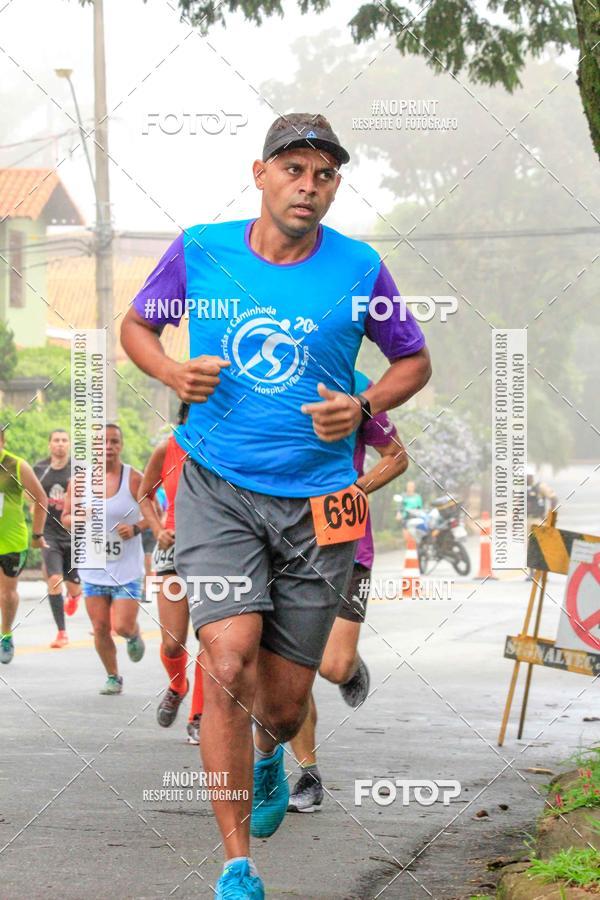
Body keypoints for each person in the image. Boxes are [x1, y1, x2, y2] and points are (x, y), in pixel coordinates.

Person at [121, 112, 431, 899]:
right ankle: (234, 867)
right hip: (219, 491)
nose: (310, 185)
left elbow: (413, 360)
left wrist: (362, 408)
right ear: (259, 173)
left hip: (319, 506)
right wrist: (167, 369)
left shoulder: (361, 269)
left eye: (324, 175)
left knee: (288, 706)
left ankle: (271, 757)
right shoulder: (201, 249)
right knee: (225, 661)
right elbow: (136, 324)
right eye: (294, 169)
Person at [288, 370, 408, 812]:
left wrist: (356, 489)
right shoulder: (260, 382)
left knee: (333, 668)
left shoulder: (355, 386)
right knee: (293, 670)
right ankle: (308, 774)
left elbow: (396, 456)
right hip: (283, 546)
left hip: (347, 544)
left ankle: (350, 663)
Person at [62, 424, 147, 694]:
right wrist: (78, 519)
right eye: (103, 442)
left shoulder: (134, 478)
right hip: (93, 567)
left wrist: (135, 528)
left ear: (120, 445)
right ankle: (113, 676)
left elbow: (157, 513)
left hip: (126, 568)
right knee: (100, 627)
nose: (108, 447)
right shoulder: (78, 482)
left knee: (120, 626)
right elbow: (65, 518)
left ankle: (133, 633)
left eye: (114, 442)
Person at [138, 403, 204, 743]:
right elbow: (144, 495)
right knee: (173, 641)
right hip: (173, 548)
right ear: (184, 418)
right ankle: (178, 685)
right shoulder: (169, 447)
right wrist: (157, 529)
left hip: (217, 550)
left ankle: (199, 717)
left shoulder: (231, 446)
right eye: (197, 413)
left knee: (212, 640)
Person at [0, 427, 48, 664]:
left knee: (7, 594)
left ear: (2, 440)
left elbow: (41, 498)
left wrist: (37, 534)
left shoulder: (17, 465)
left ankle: (6, 634)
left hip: (11, 542)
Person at [33, 429, 82, 648]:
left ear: (69, 444)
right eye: (56, 440)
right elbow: (30, 495)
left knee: (73, 586)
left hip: (73, 535)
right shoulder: (39, 469)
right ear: (49, 444)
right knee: (54, 580)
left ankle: (74, 597)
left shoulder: (78, 470)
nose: (60, 444)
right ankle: (62, 633)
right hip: (49, 533)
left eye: (64, 441)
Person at [526, 469, 557, 580]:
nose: (526, 479)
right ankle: (531, 573)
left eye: (527, 476)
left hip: (538, 520)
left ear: (532, 476)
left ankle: (543, 574)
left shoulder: (540, 487)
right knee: (529, 547)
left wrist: (551, 514)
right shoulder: (522, 488)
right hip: (527, 520)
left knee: (541, 547)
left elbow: (553, 498)